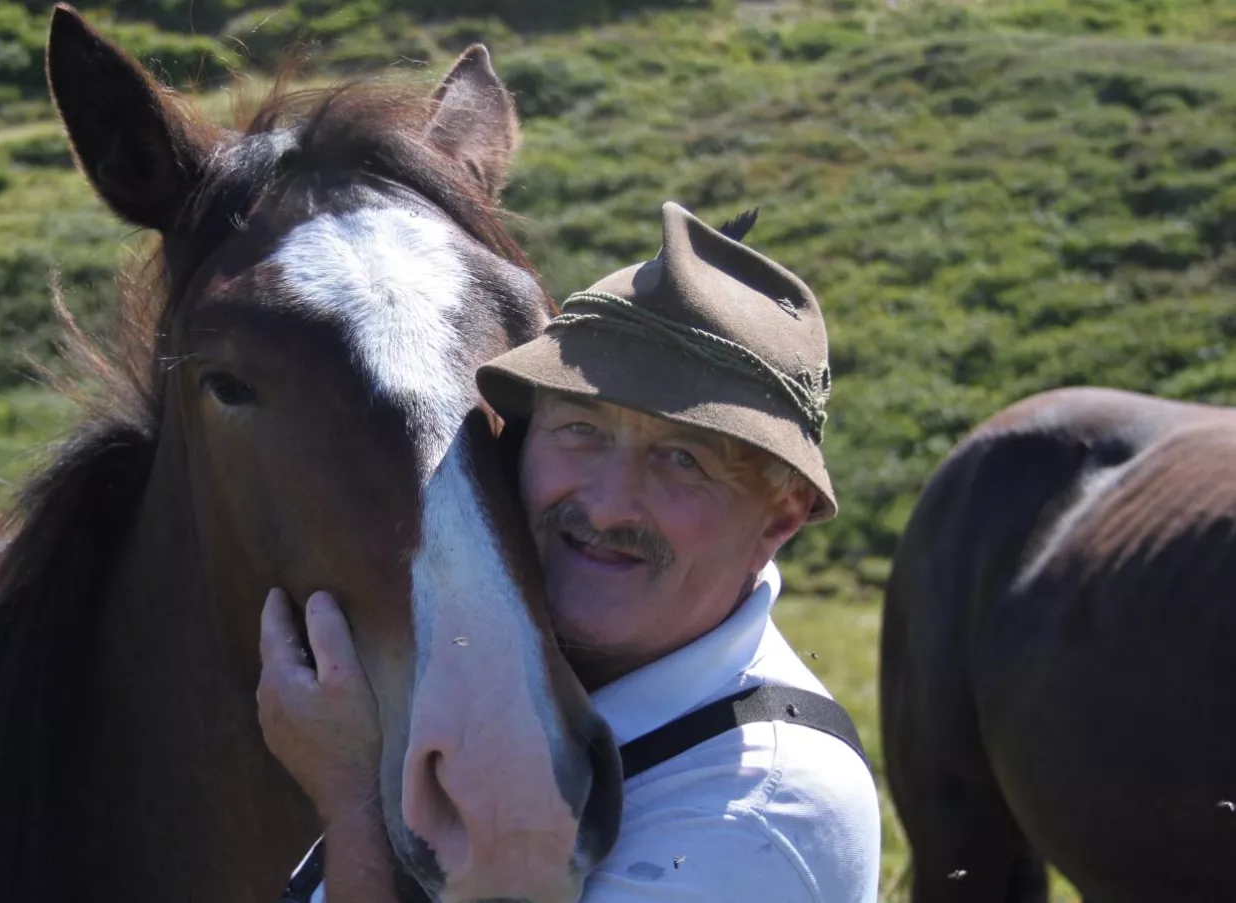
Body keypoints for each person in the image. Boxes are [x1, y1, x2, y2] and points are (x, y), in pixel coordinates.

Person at [257, 201, 882, 902]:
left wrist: (353, 802)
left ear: (781, 517)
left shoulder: (764, 813)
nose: (609, 504)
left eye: (683, 459)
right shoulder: (482, 688)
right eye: (580, 429)